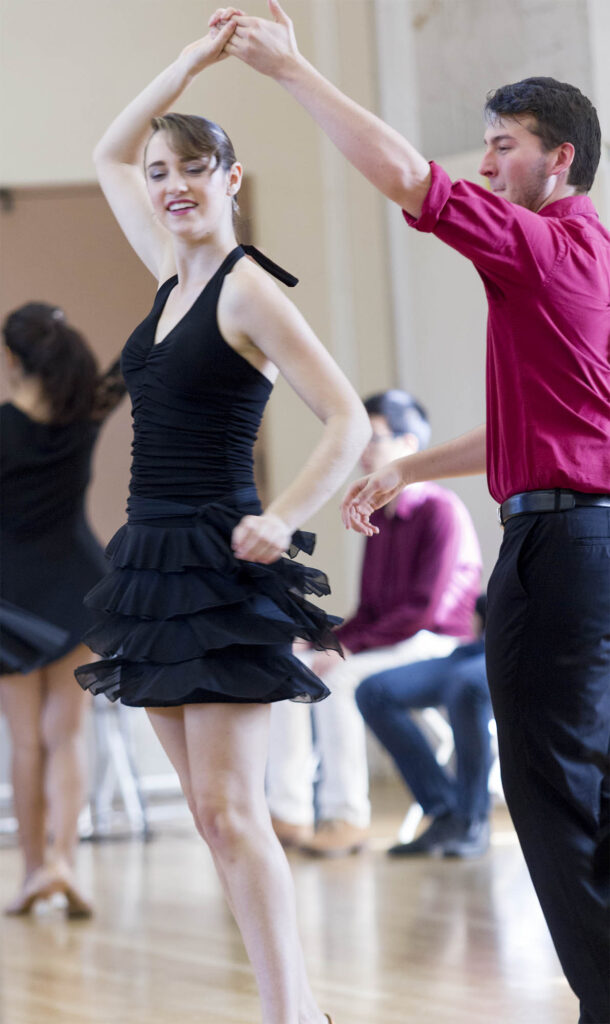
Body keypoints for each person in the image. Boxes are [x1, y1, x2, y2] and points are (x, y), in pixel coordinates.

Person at [211, 6, 610, 1020]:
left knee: (554, 790)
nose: (483, 164)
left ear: (558, 161)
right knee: (586, 782)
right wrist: (410, 465)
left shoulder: (544, 248)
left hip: (561, 549)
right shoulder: (586, 263)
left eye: (502, 146)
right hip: (582, 534)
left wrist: (295, 72)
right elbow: (556, 428)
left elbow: (403, 178)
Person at [73, 20, 370, 1024]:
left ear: (231, 179)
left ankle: (295, 1014)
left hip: (221, 554)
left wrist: (286, 518)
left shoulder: (247, 288)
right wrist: (193, 61)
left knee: (235, 812)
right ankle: (298, 1008)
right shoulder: (167, 268)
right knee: (209, 815)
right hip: (149, 557)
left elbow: (348, 417)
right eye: (164, 171)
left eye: (194, 168)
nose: (170, 184)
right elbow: (106, 151)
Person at [267, 389, 481, 856]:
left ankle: (348, 818)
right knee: (290, 665)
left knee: (338, 678)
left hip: (435, 642)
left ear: (409, 444)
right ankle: (290, 812)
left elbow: (420, 612)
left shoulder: (439, 510)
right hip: (394, 639)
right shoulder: (380, 516)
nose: (364, 451)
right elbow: (370, 612)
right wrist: (322, 641)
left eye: (374, 438)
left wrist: (346, 651)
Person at [0, 302, 126, 917]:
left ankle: (31, 872)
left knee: (26, 743)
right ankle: (65, 864)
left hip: (11, 599)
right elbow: (130, 361)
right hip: (81, 583)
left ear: (11, 360)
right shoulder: (85, 413)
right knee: (67, 732)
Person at [356, 593, 492, 859]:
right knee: (374, 691)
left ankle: (472, 819)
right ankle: (444, 811)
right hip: (478, 647)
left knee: (466, 686)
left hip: (523, 649)